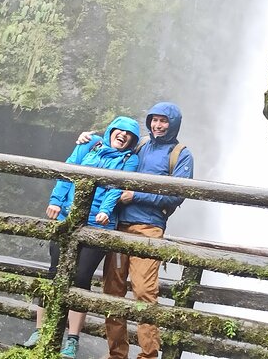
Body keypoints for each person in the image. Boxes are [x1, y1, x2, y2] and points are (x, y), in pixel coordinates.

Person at [77, 102, 193, 359]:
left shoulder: (180, 154)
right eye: (154, 120)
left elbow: (177, 196)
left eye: (164, 121)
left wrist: (136, 196)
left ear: (173, 124)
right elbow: (110, 146)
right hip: (118, 226)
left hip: (149, 229)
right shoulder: (139, 145)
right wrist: (87, 139)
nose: (158, 125)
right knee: (112, 291)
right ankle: (117, 354)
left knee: (143, 290)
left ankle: (148, 355)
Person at [24, 116, 140, 359]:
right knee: (54, 272)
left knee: (81, 277)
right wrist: (56, 200)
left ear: (133, 140)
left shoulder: (131, 159)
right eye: (120, 130)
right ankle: (39, 331)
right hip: (67, 218)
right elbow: (69, 170)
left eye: (129, 134)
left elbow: (117, 187)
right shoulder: (91, 143)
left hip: (99, 226)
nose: (123, 136)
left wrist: (105, 211)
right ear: (111, 130)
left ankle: (72, 339)